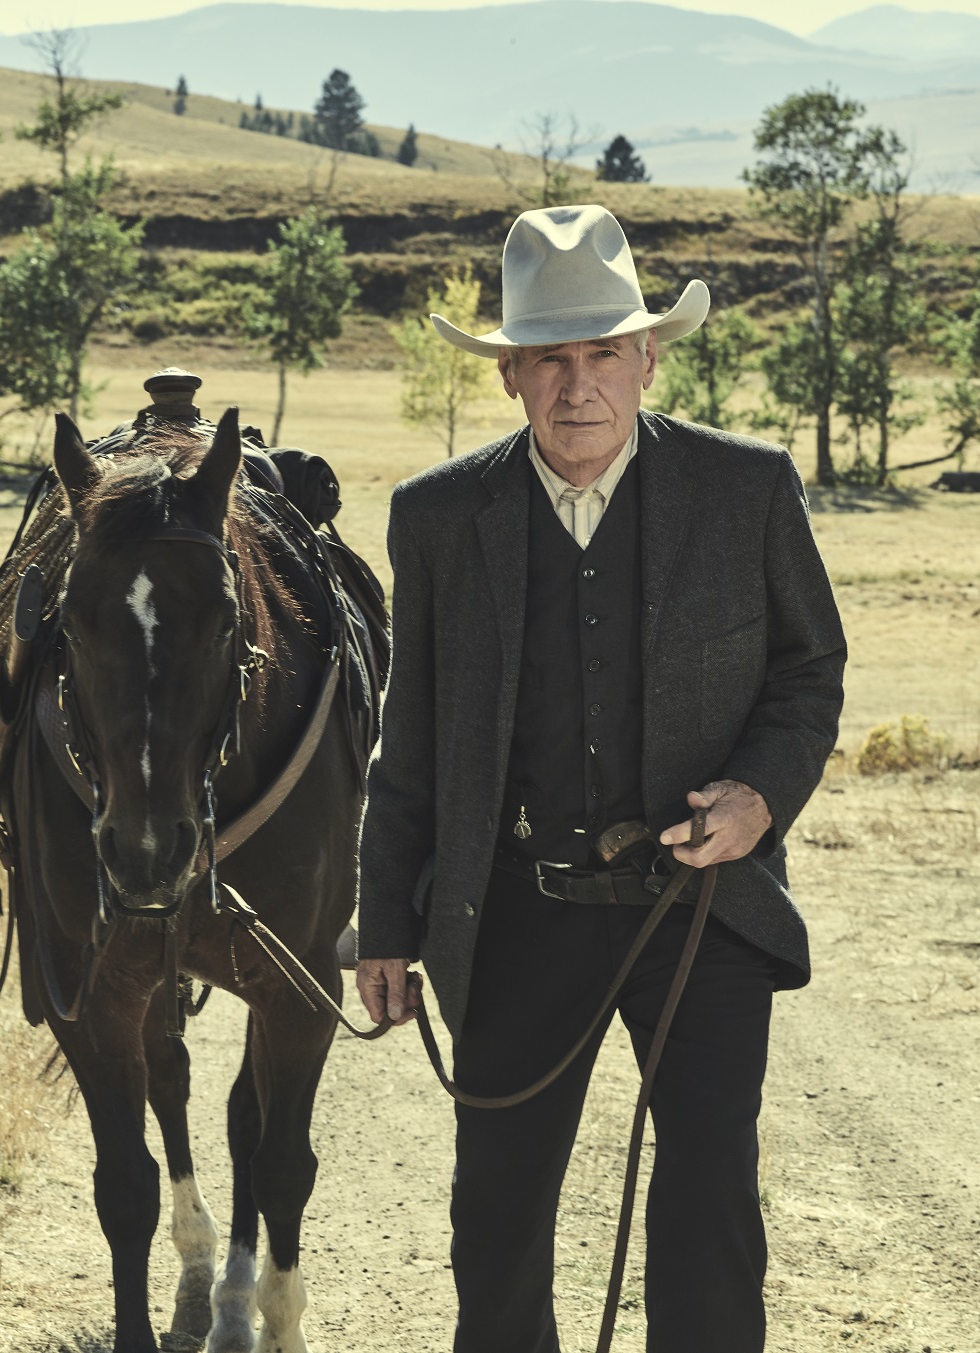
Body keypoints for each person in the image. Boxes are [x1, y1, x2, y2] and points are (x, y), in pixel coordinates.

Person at [354, 203, 846, 1353]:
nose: (581, 386)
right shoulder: (437, 517)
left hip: (703, 907)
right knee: (498, 1213)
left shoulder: (748, 491)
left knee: (711, 1191)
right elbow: (410, 733)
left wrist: (760, 795)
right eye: (553, 360)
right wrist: (386, 919)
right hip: (520, 906)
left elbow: (808, 670)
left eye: (605, 355)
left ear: (648, 359)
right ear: (513, 376)